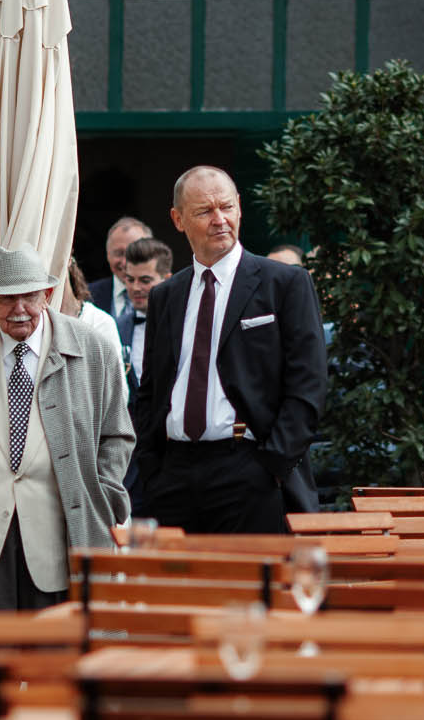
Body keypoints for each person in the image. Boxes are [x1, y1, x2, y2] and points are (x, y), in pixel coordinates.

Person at [132, 166, 327, 533]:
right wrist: (152, 464)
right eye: (205, 211)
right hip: (173, 476)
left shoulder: (284, 283)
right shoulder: (165, 296)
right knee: (180, 590)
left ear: (239, 206)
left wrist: (273, 465)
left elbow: (309, 383)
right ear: (178, 219)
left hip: (251, 471)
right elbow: (152, 388)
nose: (219, 220)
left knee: (249, 590)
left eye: (226, 207)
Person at [0, 246, 134, 611]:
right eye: (7, 298)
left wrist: (102, 494)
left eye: (30, 296)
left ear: (48, 295)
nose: (19, 309)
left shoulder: (93, 349)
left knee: (57, 655)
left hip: (60, 533)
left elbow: (117, 434)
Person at [116, 236, 173, 393]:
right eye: (130, 279)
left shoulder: (185, 325)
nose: (135, 288)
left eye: (145, 280)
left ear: (167, 280)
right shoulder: (117, 327)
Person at [86, 216, 152, 317]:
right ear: (108, 255)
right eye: (119, 253)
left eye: (134, 252)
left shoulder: (166, 295)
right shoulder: (87, 296)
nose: (125, 262)